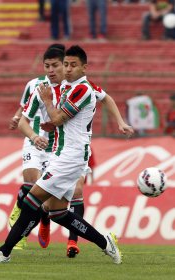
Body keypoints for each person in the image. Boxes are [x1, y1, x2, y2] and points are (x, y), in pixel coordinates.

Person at [0, 45, 122, 264]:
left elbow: (58, 119)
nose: (64, 70)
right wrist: (37, 126)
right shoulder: (55, 87)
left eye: (68, 65)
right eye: (63, 65)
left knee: (30, 201)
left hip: (71, 157)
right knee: (58, 213)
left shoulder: (82, 89)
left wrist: (47, 103)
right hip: (59, 155)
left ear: (83, 68)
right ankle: (105, 243)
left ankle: (4, 252)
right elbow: (28, 118)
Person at [37, 79, 134, 258]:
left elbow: (106, 98)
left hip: (79, 150)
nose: (60, 70)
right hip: (55, 148)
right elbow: (44, 116)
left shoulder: (85, 86)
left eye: (68, 64)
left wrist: (120, 122)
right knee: (49, 205)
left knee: (77, 191)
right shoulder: (46, 86)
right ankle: (44, 216)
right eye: (53, 66)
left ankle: (72, 241)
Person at [8, 44, 66, 249]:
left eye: (54, 65)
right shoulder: (33, 84)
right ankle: (20, 231)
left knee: (46, 201)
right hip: (33, 142)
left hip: (56, 147)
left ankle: (44, 220)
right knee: (31, 186)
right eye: (46, 65)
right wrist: (17, 118)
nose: (50, 70)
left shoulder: (70, 88)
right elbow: (24, 106)